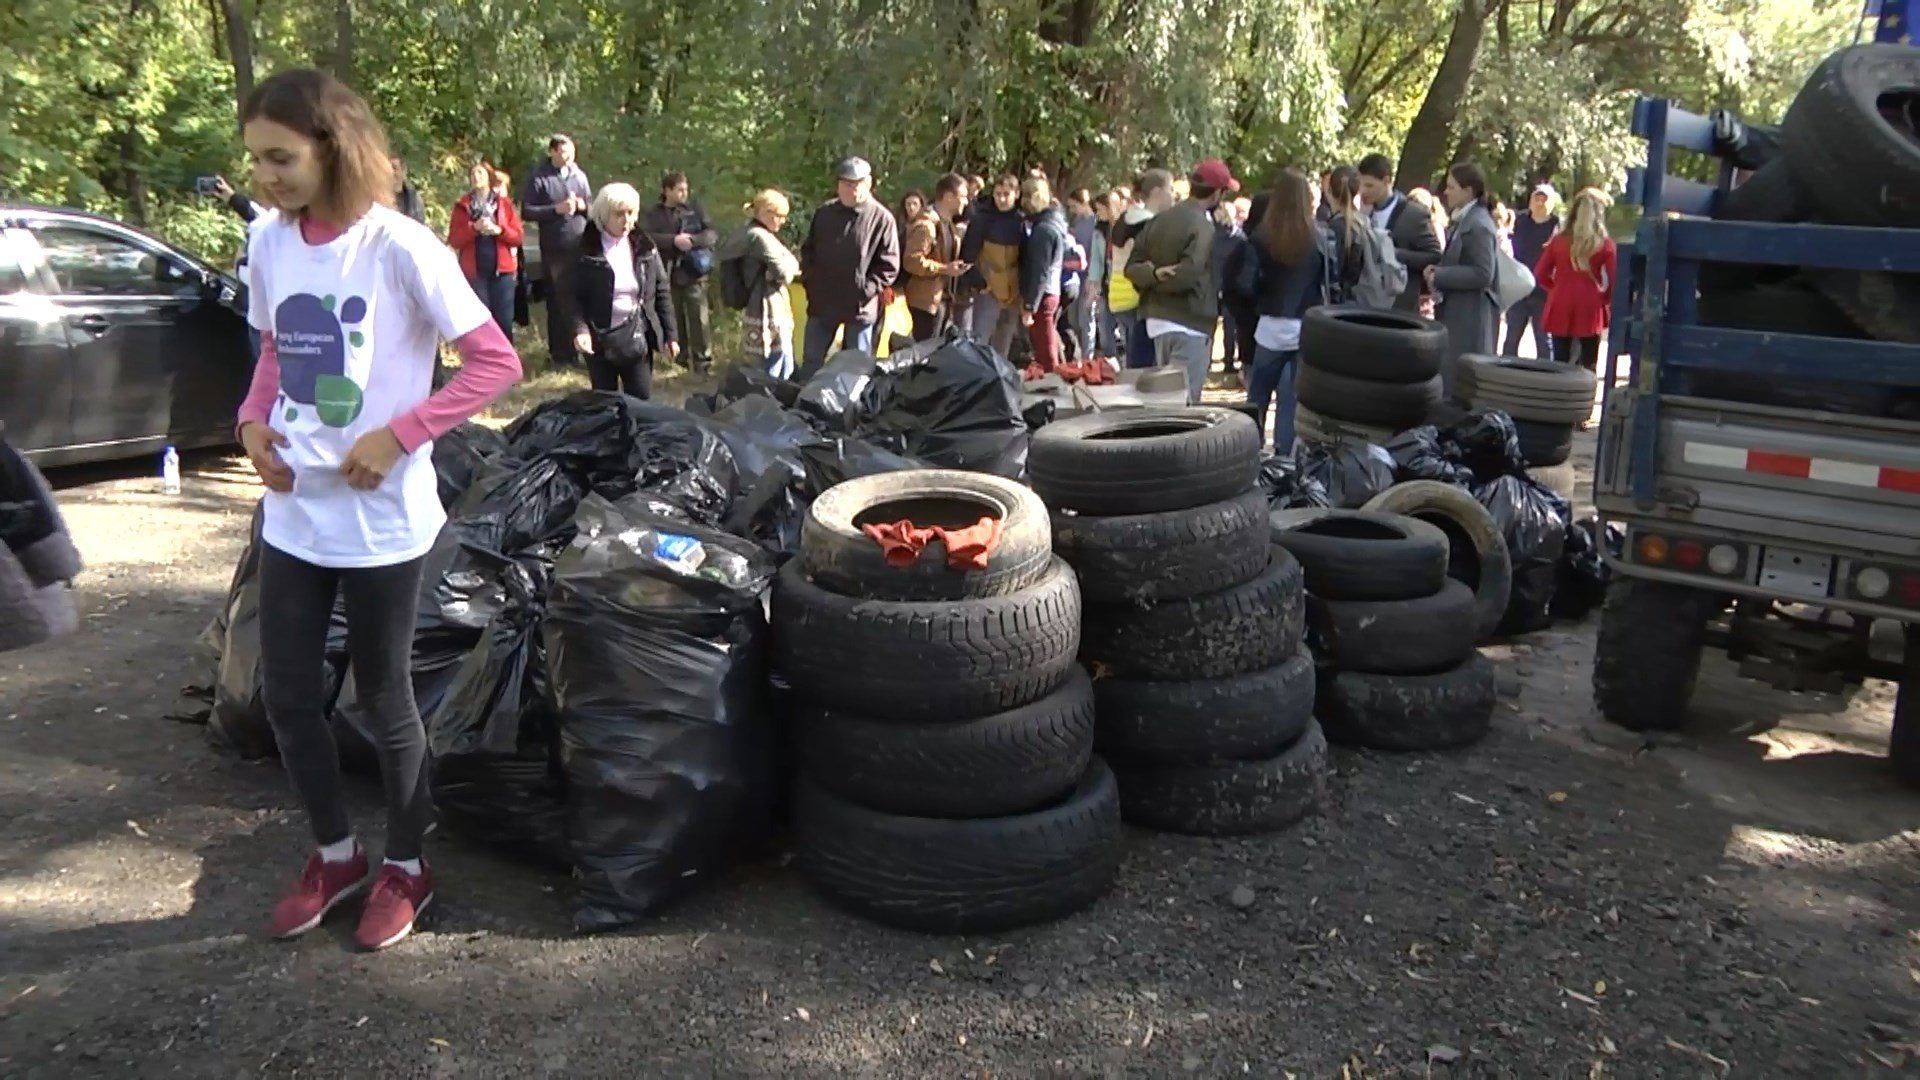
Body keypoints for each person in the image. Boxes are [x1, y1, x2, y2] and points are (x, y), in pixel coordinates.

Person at [233, 68, 522, 951]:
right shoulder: (271, 243)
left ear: (334, 147)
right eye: (256, 161)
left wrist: (401, 434)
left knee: (383, 698)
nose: (266, 177)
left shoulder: (401, 247)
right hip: (295, 513)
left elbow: (494, 363)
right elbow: (279, 346)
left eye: (281, 158)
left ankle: (406, 864)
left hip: (384, 521)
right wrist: (250, 421)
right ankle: (336, 854)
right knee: (286, 694)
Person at [1127, 158, 1235, 403]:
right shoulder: (1204, 227)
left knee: (1166, 401)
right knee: (1183, 407)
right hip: (1190, 322)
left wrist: (1153, 277)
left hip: (1157, 322)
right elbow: (1189, 275)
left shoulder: (1160, 219)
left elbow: (1131, 268)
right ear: (1218, 193)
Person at [1241, 169, 1329, 452]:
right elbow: (1329, 279)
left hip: (1270, 323)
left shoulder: (1262, 236)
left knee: (1258, 394)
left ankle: (1248, 448)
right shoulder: (1318, 236)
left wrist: (1257, 304)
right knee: (1290, 398)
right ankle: (1284, 456)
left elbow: (1246, 283)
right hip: (1306, 324)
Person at [571, 182, 677, 398]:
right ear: (603, 215)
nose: (626, 220)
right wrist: (580, 330)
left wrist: (670, 335)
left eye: (631, 213)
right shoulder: (584, 249)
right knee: (605, 405)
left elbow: (661, 291)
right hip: (599, 338)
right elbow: (571, 296)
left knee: (640, 402)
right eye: (619, 214)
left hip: (638, 337)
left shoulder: (645, 247)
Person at [797, 156, 900, 378]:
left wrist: (866, 289)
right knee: (811, 362)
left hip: (859, 308)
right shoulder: (825, 213)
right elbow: (809, 250)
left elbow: (889, 265)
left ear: (869, 183)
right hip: (822, 301)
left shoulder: (882, 219)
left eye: (856, 184)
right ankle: (802, 408)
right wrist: (811, 282)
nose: (851, 189)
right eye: (846, 184)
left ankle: (851, 410)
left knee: (855, 370)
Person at [1424, 162, 1502, 390]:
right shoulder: (1467, 220)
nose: (1446, 192)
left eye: (1451, 187)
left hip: (1470, 318)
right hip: (1459, 314)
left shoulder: (1478, 225)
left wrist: (1440, 275)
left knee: (1463, 383)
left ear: (1468, 191)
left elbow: (1483, 273)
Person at [521, 135, 593, 368]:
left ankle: (579, 350)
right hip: (554, 247)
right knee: (557, 299)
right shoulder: (539, 177)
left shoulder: (579, 176)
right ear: (552, 152)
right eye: (562, 152)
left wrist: (582, 206)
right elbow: (528, 211)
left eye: (571, 151)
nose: (567, 156)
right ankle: (559, 355)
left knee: (580, 297)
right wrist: (556, 209)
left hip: (580, 244)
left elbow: (593, 207)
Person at [717, 189, 803, 377]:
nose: (783, 221)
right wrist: (791, 262)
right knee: (776, 365)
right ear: (766, 213)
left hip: (755, 305)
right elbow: (785, 272)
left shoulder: (744, 231)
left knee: (764, 362)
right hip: (769, 308)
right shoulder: (759, 237)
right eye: (780, 216)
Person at [640, 171, 718, 376]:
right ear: (667, 191)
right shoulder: (654, 214)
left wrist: (692, 241)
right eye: (679, 189)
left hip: (694, 272)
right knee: (674, 318)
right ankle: (679, 359)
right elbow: (646, 237)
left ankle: (703, 362)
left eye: (686, 189)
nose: (684, 193)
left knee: (699, 319)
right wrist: (673, 241)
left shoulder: (695, 210)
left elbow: (711, 234)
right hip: (667, 272)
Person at [1535, 186, 1617, 377]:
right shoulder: (1605, 245)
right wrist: (1604, 298)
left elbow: (1539, 273)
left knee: (1560, 362)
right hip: (1590, 305)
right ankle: (1583, 402)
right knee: (1588, 364)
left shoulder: (1559, 241)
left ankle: (1559, 399)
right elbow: (1616, 280)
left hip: (1560, 302)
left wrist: (1554, 289)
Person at [1356, 153, 1442, 314]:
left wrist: (1392, 254)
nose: (1363, 191)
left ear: (1386, 181)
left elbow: (1434, 255)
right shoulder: (1363, 212)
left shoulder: (1413, 213)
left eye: (1369, 186)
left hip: (1399, 305)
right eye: (1361, 185)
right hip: (1366, 303)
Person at [447, 160, 525, 337]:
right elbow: (454, 240)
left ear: (489, 177)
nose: (476, 177)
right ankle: (484, 362)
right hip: (475, 273)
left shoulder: (504, 204)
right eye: (473, 174)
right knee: (481, 324)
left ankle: (506, 363)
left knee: (504, 323)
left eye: (480, 173)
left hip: (502, 273)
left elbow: (518, 237)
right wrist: (474, 229)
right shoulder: (462, 206)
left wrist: (499, 230)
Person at [958, 173, 1028, 359]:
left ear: (1017, 194)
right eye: (998, 194)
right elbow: (968, 255)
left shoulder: (1022, 221)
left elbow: (1027, 259)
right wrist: (980, 284)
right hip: (987, 291)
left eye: (1006, 194)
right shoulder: (982, 219)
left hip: (1013, 292)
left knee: (1002, 347)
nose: (1002, 199)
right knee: (979, 343)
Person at [1109, 171, 1172, 368]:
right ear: (1157, 192)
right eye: (1170, 189)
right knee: (1145, 366)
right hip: (1137, 297)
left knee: (1133, 358)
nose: (1173, 195)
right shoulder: (1148, 224)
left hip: (1118, 295)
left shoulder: (1124, 220)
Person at [901, 173, 967, 341]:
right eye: (963, 197)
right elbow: (912, 261)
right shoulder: (926, 225)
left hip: (942, 300)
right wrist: (945, 269)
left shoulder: (947, 223)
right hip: (925, 303)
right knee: (925, 354)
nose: (966, 202)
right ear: (949, 197)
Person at [1502, 183, 1561, 358]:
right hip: (1518, 287)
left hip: (1543, 290)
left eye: (1544, 198)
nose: (1540, 202)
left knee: (1544, 341)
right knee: (1511, 338)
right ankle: (1504, 374)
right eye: (1537, 197)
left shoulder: (1557, 225)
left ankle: (1544, 377)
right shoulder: (1518, 221)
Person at [1018, 176, 1070, 372]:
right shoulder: (1055, 223)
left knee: (1044, 346)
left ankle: (1053, 379)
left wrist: (1030, 305)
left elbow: (1039, 270)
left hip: (1043, 294)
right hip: (1051, 291)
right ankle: (1058, 373)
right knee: (1049, 340)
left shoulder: (1043, 231)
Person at [1212, 198, 1250, 385]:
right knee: (1230, 325)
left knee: (1211, 325)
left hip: (1214, 284)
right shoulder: (1239, 238)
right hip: (1230, 285)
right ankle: (1228, 360)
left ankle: (1209, 362)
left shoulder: (1212, 236)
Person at [1063, 188, 1099, 363]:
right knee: (1073, 319)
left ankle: (1088, 358)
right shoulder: (1077, 221)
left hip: (1089, 277)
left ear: (1084, 203)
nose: (1073, 210)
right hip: (1076, 276)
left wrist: (1094, 280)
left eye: (1074, 206)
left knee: (1086, 319)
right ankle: (1080, 352)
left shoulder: (1095, 222)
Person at [389, 156, 426, 223]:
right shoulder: (378, 197)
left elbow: (419, 227)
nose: (390, 172)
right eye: (387, 168)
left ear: (404, 171)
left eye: (394, 168)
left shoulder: (414, 200)